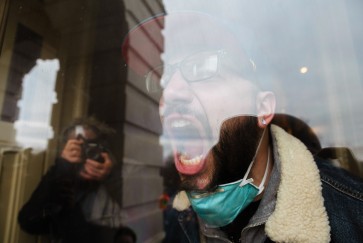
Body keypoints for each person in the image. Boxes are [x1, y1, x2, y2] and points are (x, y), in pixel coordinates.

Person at [122, 10, 363, 243]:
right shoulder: (178, 217)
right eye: (164, 77)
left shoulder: (353, 215)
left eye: (201, 67)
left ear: (262, 109)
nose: (171, 92)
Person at [18, 117, 123, 243]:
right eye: (78, 147)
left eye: (91, 146)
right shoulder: (62, 182)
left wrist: (110, 176)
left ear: (104, 150)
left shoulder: (116, 180)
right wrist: (61, 167)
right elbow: (29, 223)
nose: (86, 152)